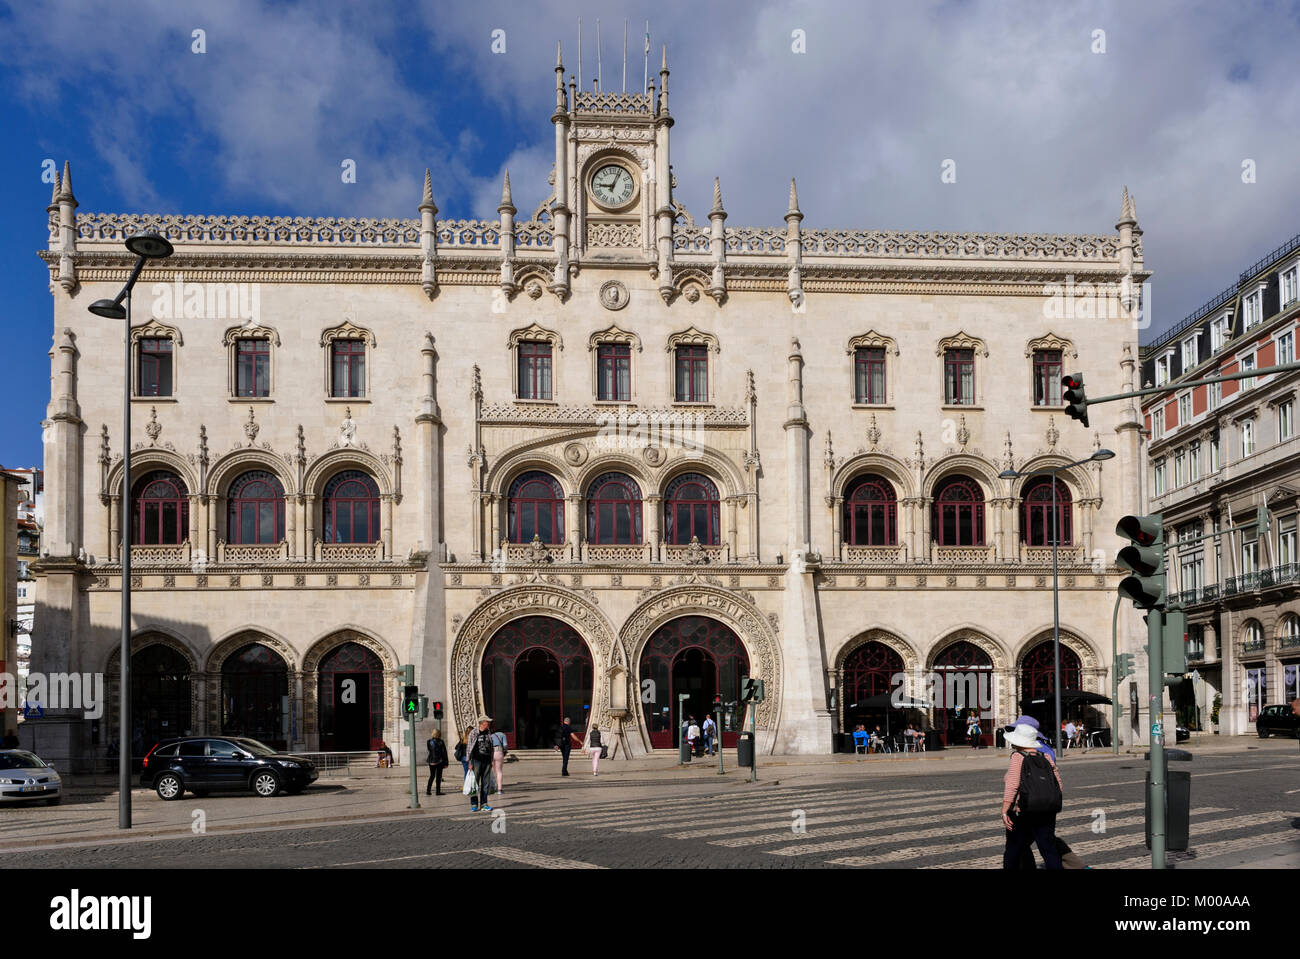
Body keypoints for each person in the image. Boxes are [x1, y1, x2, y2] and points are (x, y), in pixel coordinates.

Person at [1001, 721, 1064, 870]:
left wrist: (1005, 810)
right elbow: (1058, 784)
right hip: (1047, 810)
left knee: (1014, 848)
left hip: (1023, 810)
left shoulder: (1018, 756)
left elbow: (1012, 785)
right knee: (1048, 848)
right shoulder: (1046, 756)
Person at [465, 715, 495, 811]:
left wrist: (491, 760)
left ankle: (484, 804)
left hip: (486, 761)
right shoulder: (474, 732)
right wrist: (469, 762)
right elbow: (469, 748)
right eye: (487, 722)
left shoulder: (488, 732)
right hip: (476, 761)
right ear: (482, 723)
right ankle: (474, 804)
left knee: (485, 784)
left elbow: (491, 748)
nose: (489, 724)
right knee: (475, 783)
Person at [425, 728, 449, 796]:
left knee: (432, 776)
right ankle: (438, 792)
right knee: (438, 777)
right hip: (439, 761)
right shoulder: (441, 741)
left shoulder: (429, 741)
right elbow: (444, 752)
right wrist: (446, 762)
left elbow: (430, 750)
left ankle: (428, 790)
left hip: (431, 761)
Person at [490, 724, 508, 795]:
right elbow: (505, 745)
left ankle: (491, 788)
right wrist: (505, 751)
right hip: (499, 752)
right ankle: (499, 789)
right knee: (499, 771)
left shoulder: (491, 735)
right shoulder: (502, 735)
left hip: (491, 753)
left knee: (491, 771)